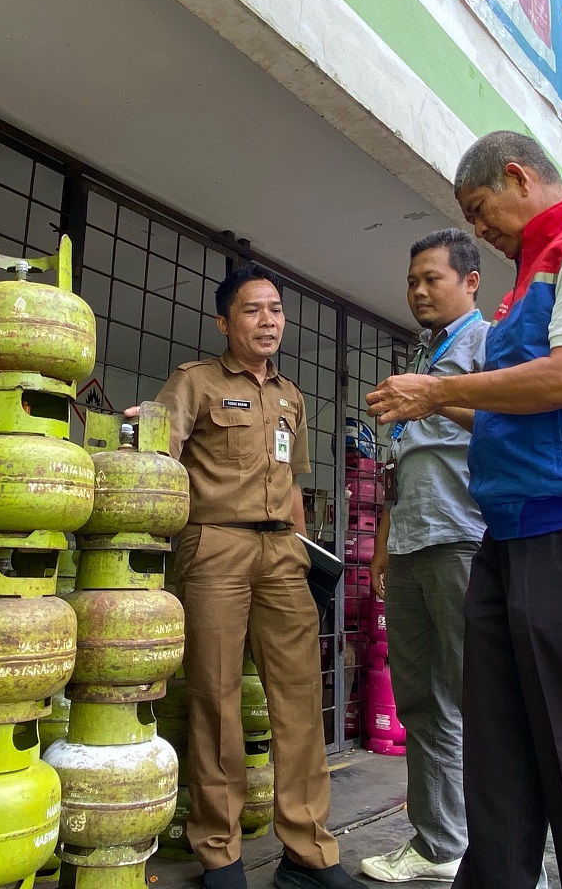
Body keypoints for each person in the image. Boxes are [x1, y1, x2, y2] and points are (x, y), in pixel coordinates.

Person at [366, 130, 562, 889]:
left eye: (479, 211)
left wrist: (439, 391)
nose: (479, 229)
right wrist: (441, 405)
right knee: (500, 759)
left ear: (517, 177)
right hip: (511, 534)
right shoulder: (526, 282)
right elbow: (519, 408)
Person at [143, 262, 364, 889]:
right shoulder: (196, 383)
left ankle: (309, 853)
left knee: (298, 701)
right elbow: (156, 455)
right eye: (252, 310)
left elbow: (292, 483)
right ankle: (221, 853)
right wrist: (142, 428)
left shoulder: (290, 396)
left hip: (281, 554)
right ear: (224, 321)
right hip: (214, 547)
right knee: (216, 700)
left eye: (275, 310)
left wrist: (303, 551)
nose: (268, 321)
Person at [360, 229, 488, 883]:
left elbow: (509, 422)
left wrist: (437, 395)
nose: (417, 291)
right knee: (422, 701)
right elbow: (402, 455)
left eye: (430, 279)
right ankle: (440, 845)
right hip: (412, 539)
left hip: (464, 536)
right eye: (412, 280)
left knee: (486, 700)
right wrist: (384, 539)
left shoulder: (488, 344)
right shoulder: (425, 348)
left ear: (470, 281)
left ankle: (509, 855)